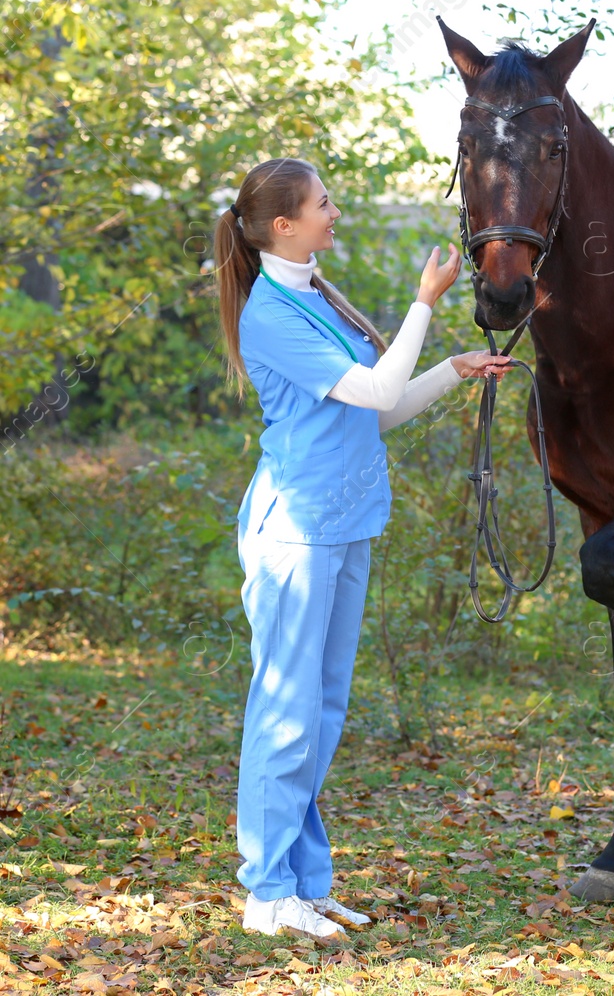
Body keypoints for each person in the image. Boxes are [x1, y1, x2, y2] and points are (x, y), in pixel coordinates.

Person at [213, 157, 511, 939]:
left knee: (322, 711)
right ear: (284, 224)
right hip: (296, 530)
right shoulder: (269, 314)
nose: (334, 211)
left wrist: (453, 366)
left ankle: (304, 885)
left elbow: (370, 416)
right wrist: (424, 304)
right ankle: (266, 889)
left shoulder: (315, 296)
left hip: (344, 524)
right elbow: (376, 389)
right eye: (322, 203)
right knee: (283, 712)